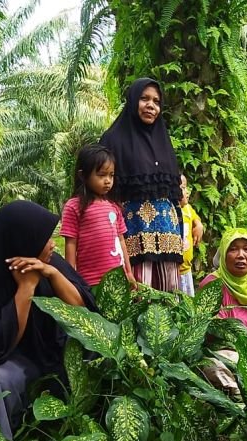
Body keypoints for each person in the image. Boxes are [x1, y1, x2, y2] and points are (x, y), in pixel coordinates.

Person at [0, 201, 96, 441]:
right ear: (22, 242)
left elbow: (84, 313)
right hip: (13, 362)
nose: (52, 244)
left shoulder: (49, 262)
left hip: (56, 355)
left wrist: (52, 274)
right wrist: (26, 288)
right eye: (44, 238)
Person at [99, 78, 183, 291]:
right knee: (138, 288)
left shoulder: (163, 140)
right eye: (144, 98)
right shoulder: (112, 139)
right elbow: (101, 186)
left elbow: (175, 192)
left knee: (169, 291)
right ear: (133, 100)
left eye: (156, 101)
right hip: (133, 228)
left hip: (168, 232)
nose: (151, 105)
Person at [60, 144, 133, 287]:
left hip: (118, 281)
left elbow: (121, 241)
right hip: (91, 282)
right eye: (101, 175)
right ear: (83, 175)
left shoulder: (114, 206)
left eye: (111, 175)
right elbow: (71, 244)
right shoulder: (74, 206)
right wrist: (71, 279)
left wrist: (129, 272)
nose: (108, 181)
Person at [179, 174, 203, 296]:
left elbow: (196, 218)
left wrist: (199, 225)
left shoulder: (188, 208)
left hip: (187, 269)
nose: (187, 192)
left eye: (186, 187)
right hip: (175, 271)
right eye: (183, 188)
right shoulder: (171, 211)